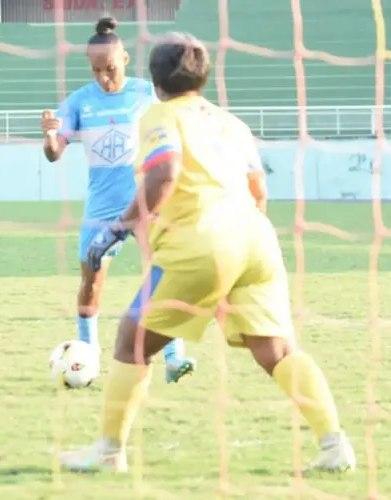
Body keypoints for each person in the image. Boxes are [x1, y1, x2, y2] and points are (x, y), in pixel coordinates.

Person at [59, 32, 356, 474]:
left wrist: (118, 228)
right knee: (277, 350)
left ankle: (108, 453)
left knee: (130, 341)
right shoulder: (232, 123)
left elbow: (164, 172)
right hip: (257, 241)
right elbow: (258, 189)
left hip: (200, 243)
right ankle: (334, 445)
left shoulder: (159, 114)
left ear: (156, 80)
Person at [41, 17, 196, 386]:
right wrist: (50, 137)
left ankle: (174, 357)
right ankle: (88, 352)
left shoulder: (147, 93)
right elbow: (54, 153)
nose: (103, 77)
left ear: (125, 59)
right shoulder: (79, 101)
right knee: (91, 281)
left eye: (109, 68)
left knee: (164, 274)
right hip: (101, 208)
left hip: (147, 202)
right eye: (96, 70)